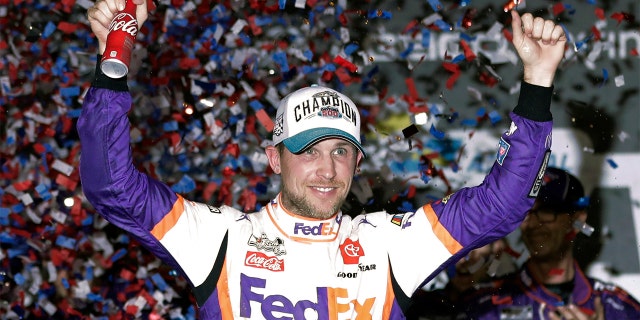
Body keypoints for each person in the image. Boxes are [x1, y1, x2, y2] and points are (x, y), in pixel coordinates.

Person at [79, 0, 566, 318]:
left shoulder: (387, 246)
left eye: (340, 152)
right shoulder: (219, 237)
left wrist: (538, 82)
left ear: (358, 163)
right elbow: (110, 185)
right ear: (274, 159)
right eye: (307, 152)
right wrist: (111, 65)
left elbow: (503, 203)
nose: (327, 170)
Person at [459, 167, 640, 319]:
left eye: (546, 211)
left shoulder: (616, 307)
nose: (533, 224)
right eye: (526, 212)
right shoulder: (487, 303)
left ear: (577, 219)